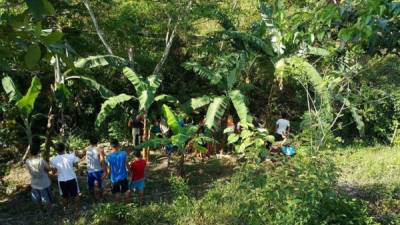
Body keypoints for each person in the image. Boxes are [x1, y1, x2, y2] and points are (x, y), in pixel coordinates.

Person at [50, 143, 80, 211]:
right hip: (72, 178)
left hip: (61, 180)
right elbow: (76, 166)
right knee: (76, 194)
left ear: (56, 150)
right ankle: (78, 208)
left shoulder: (53, 159)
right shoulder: (71, 156)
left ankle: (65, 208)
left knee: (64, 196)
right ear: (64, 148)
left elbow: (53, 172)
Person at [25, 141, 53, 208]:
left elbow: (29, 170)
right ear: (38, 151)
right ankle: (49, 209)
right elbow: (49, 168)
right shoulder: (41, 160)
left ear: (30, 152)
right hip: (44, 181)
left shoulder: (27, 161)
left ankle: (41, 209)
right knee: (46, 196)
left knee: (37, 198)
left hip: (34, 182)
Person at [105, 139, 130, 203]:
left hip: (114, 178)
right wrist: (130, 171)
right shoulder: (124, 154)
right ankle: (127, 204)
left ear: (111, 146)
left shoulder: (109, 156)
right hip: (123, 176)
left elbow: (109, 168)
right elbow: (127, 164)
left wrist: (108, 175)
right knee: (126, 190)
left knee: (116, 192)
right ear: (118, 145)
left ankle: (118, 206)